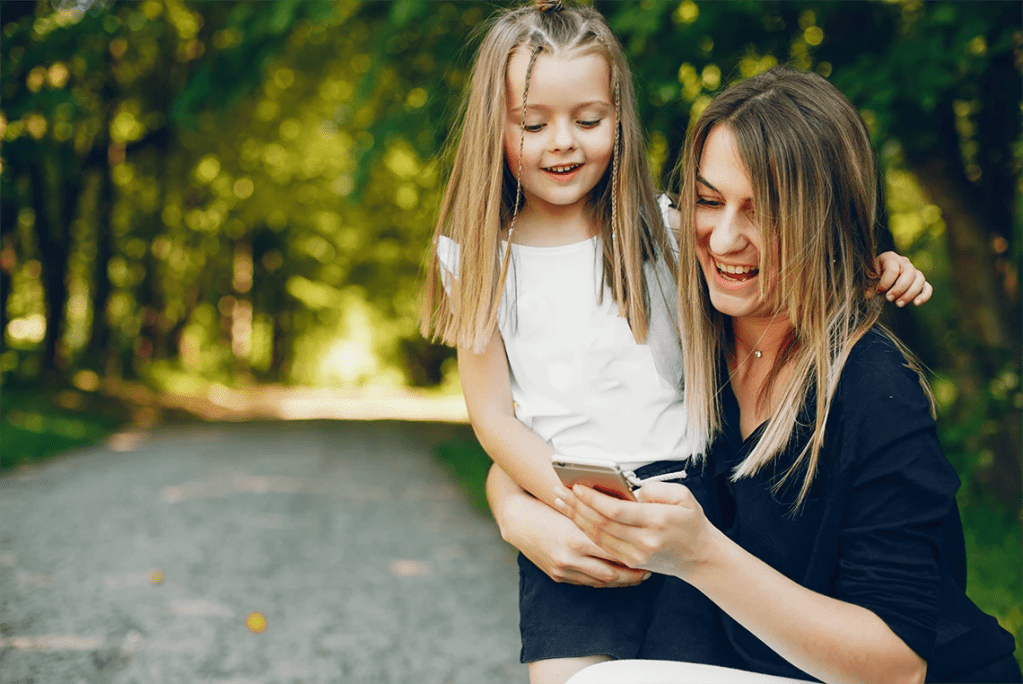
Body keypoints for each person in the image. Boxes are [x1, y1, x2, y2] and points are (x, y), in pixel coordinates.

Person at [421, 2, 932, 681]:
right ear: (496, 126)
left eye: (588, 119)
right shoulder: (484, 263)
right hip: (576, 503)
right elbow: (492, 417)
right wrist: (541, 506)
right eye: (533, 124)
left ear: (618, 118)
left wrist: (870, 268)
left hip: (685, 497)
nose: (562, 143)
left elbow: (790, 268)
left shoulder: (662, 236)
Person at [543, 66, 1022, 683]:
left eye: (763, 213)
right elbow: (531, 419)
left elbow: (897, 667)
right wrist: (517, 515)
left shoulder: (874, 389)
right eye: (709, 201)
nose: (724, 238)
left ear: (824, 222)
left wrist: (700, 555)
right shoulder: (685, 349)